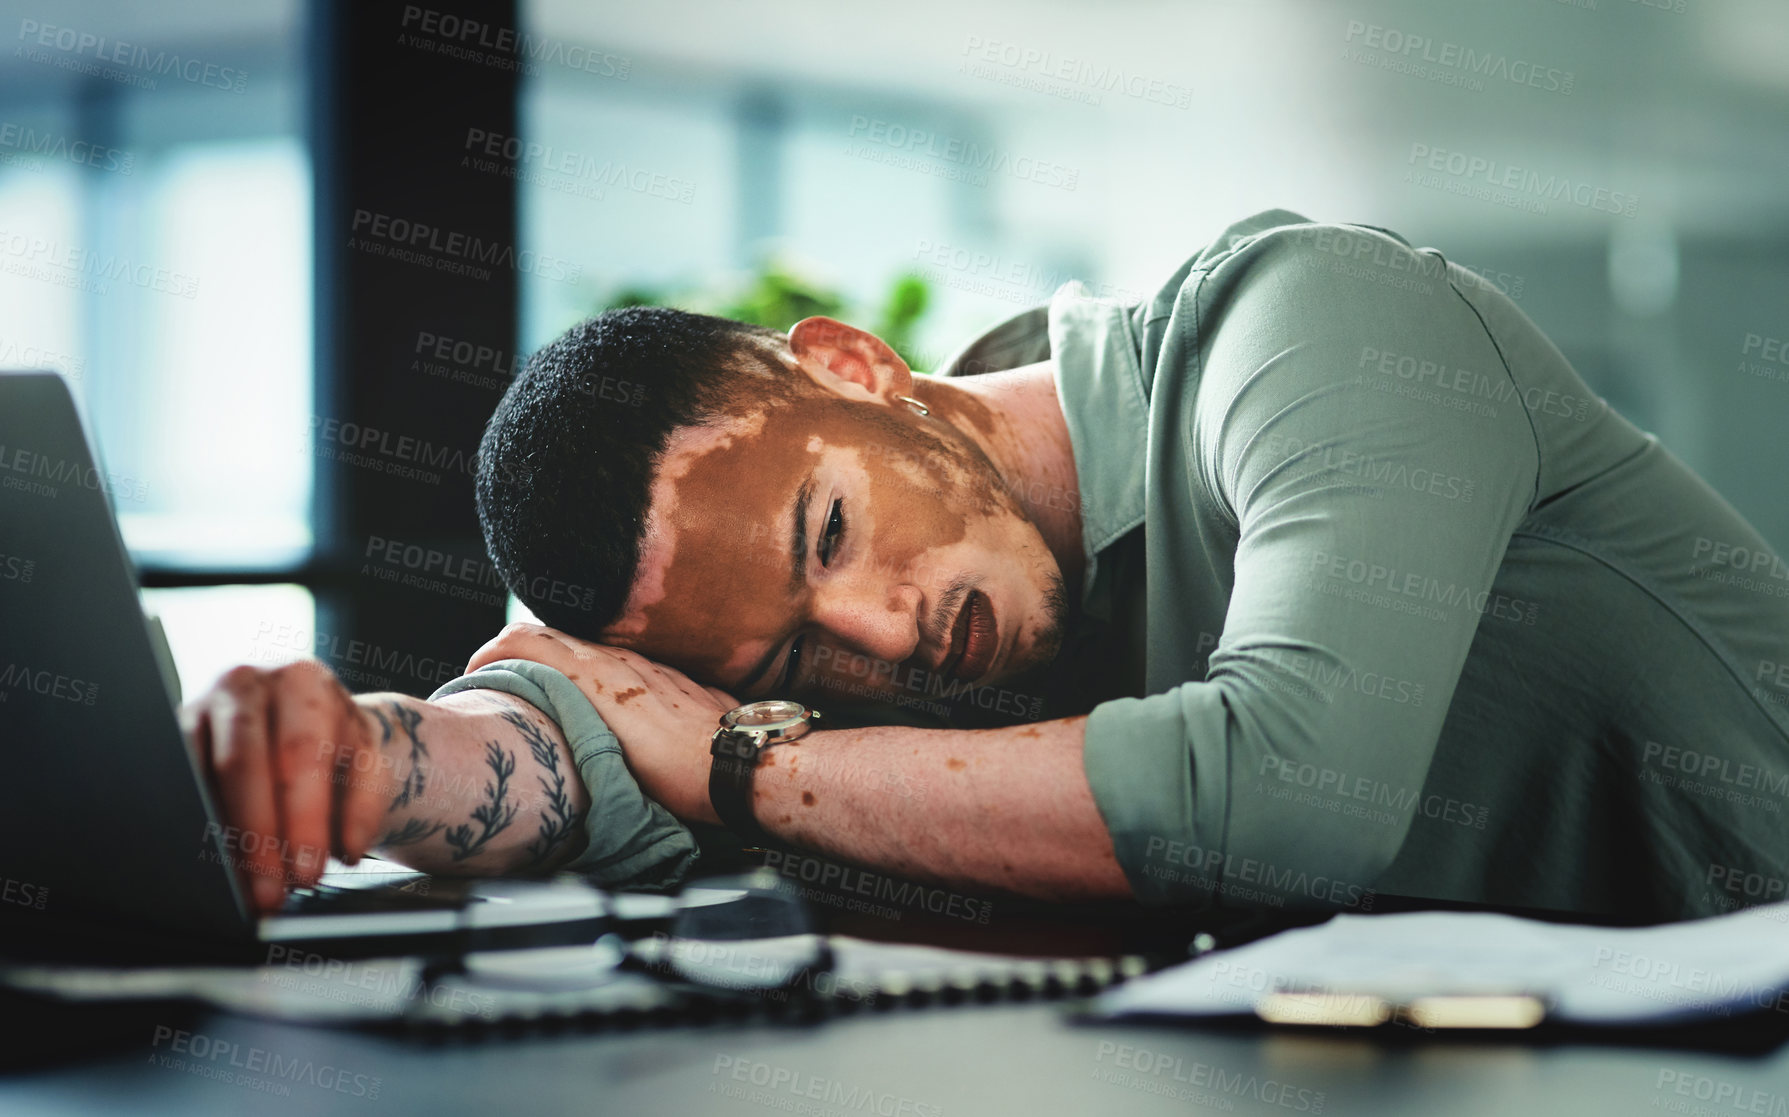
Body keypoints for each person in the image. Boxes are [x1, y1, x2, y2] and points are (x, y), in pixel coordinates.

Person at [186, 209, 1789, 921]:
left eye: (827, 532)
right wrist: (375, 757)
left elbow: (1296, 793)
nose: (883, 634)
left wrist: (749, 758)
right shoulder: (914, 652)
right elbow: (594, 739)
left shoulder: (1314, 324)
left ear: (854, 365)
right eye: (789, 658)